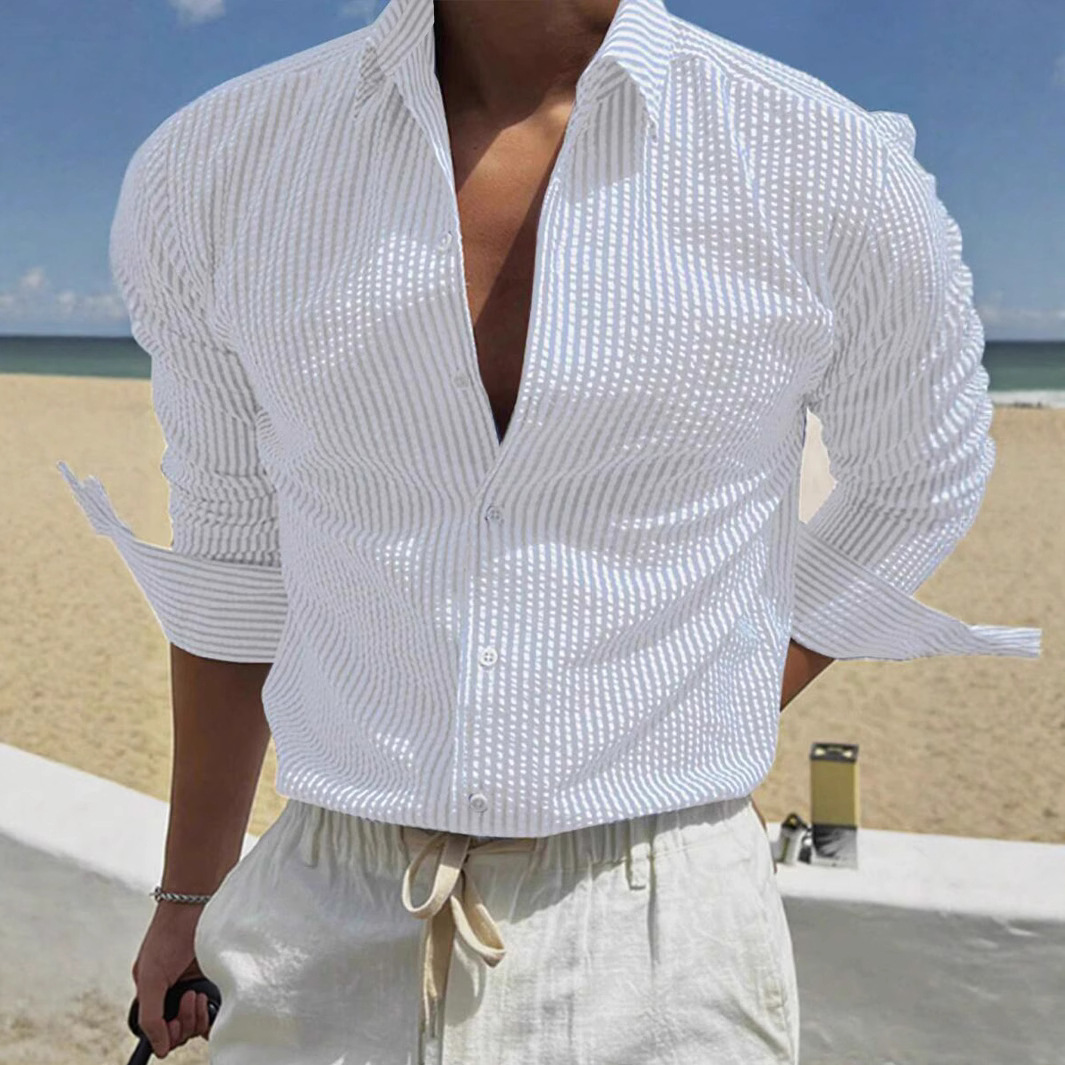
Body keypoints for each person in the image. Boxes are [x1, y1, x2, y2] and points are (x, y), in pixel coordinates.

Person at [58, 0, 1042, 1061]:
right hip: (322, 913)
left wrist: (716, 691)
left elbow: (916, 480)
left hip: (664, 923)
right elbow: (233, 552)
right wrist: (189, 892)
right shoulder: (218, 163)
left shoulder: (818, 159)